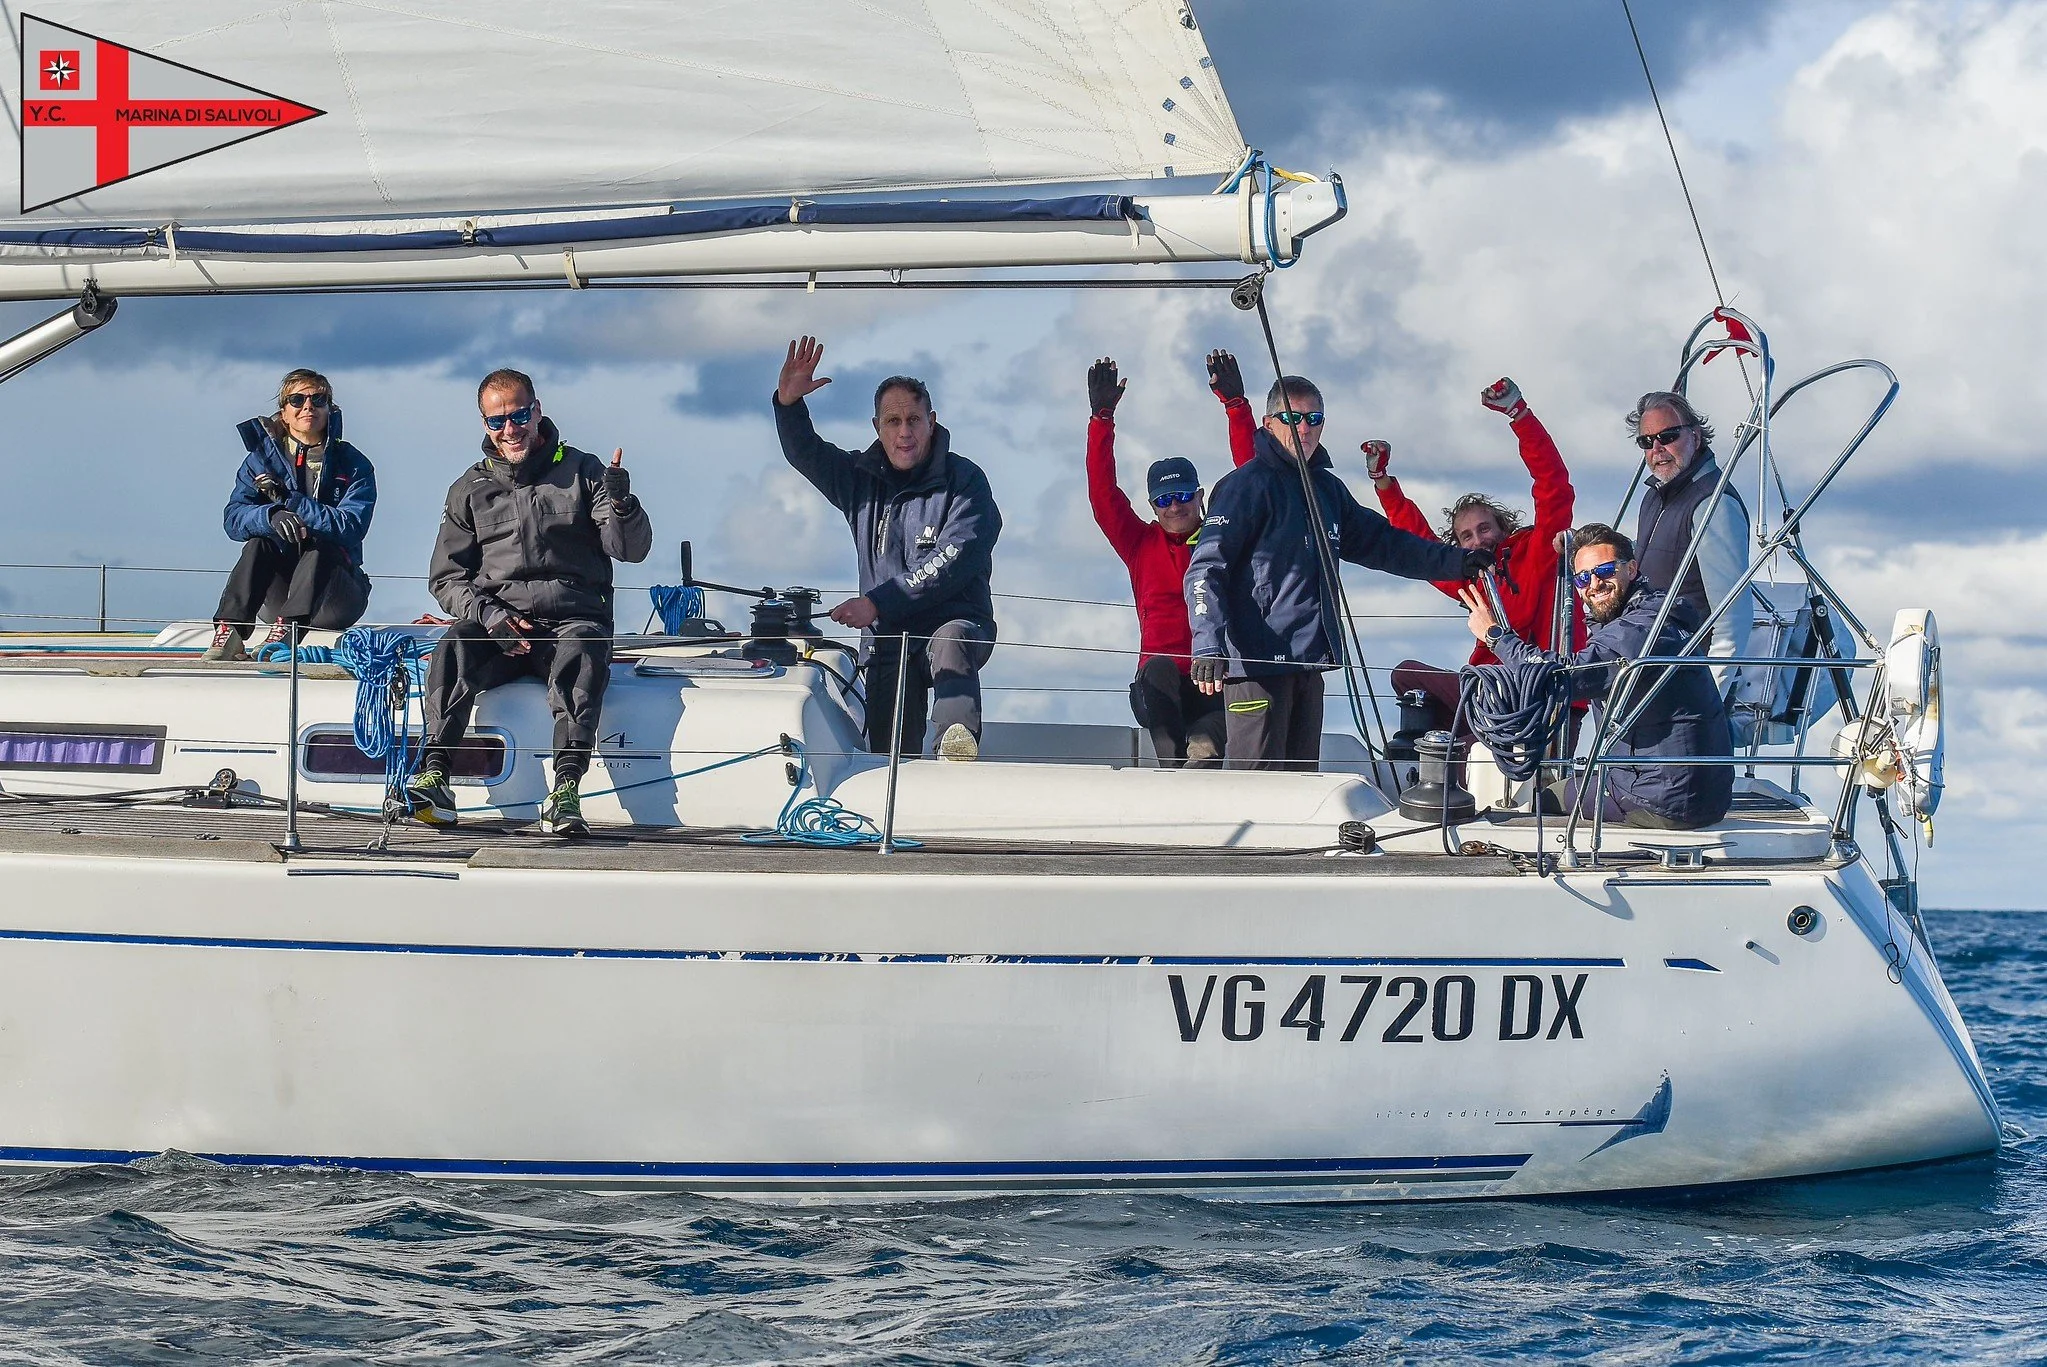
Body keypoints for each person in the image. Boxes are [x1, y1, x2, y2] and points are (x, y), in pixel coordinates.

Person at [1185, 374, 1488, 770]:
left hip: (1307, 665)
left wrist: (1457, 563)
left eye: (1315, 418)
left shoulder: (1328, 491)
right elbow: (1205, 570)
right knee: (1253, 786)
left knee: (1300, 789)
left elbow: (1387, 544)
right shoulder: (1245, 487)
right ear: (1267, 422)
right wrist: (1207, 644)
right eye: (1292, 418)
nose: (1305, 428)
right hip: (1256, 668)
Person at [403, 368, 652, 836]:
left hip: (571, 622)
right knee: (457, 642)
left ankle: (566, 790)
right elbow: (446, 579)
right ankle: (434, 775)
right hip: (501, 628)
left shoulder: (585, 471)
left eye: (518, 415)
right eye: (496, 421)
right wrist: (491, 616)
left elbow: (630, 550)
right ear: (484, 425)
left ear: (537, 411)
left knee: (583, 648)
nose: (509, 429)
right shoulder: (469, 488)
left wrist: (622, 505)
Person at [773, 336, 1002, 760]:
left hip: (955, 623)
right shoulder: (858, 479)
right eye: (893, 421)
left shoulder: (966, 482)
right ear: (876, 427)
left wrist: (876, 602)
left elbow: (955, 558)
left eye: (914, 419)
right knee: (886, 755)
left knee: (951, 639)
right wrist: (788, 406)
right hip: (885, 639)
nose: (904, 432)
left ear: (932, 422)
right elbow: (806, 453)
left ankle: (957, 749)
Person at [1459, 522, 1733, 829]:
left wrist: (1496, 637)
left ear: (1631, 569)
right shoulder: (1652, 614)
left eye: (1604, 571)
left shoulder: (1639, 630)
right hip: (1693, 793)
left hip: (1659, 798)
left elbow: (1559, 677)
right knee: (1574, 781)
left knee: (1545, 798)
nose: (1594, 584)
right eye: (1583, 577)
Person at [1365, 376, 1579, 732]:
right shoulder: (1467, 580)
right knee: (1407, 676)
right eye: (1466, 536)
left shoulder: (1536, 551)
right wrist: (1382, 480)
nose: (1478, 540)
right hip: (1490, 690)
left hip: (1543, 692)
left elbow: (1553, 485)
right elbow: (1419, 544)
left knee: (1460, 711)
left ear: (1502, 528)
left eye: (1484, 529)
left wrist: (1519, 415)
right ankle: (1446, 776)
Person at [1086, 350, 1256, 766]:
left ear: (1200, 495)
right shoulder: (1139, 544)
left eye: (1182, 495)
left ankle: (1201, 750)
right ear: (1152, 506)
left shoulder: (1224, 538)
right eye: (1164, 500)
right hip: (1159, 691)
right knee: (1159, 668)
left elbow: (1256, 480)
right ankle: (1171, 767)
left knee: (1206, 735)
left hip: (1216, 685)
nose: (1174, 507)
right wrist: (1101, 419)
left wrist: (1236, 406)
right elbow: (1102, 493)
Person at [202, 368, 375, 661]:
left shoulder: (354, 464)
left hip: (337, 596)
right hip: (278, 593)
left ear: (329, 410)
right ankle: (230, 631)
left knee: (322, 545)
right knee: (260, 544)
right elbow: (234, 518)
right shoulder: (259, 462)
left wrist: (292, 503)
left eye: (318, 400)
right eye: (297, 400)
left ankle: (289, 632)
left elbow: (351, 526)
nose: (308, 406)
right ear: (284, 412)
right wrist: (271, 516)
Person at [1628, 390, 1752, 691]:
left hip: (1691, 687)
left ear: (1696, 436)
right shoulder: (1654, 497)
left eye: (1668, 436)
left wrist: (1711, 699)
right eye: (1646, 441)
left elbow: (1732, 620)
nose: (1657, 448)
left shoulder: (1714, 504)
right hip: (1652, 675)